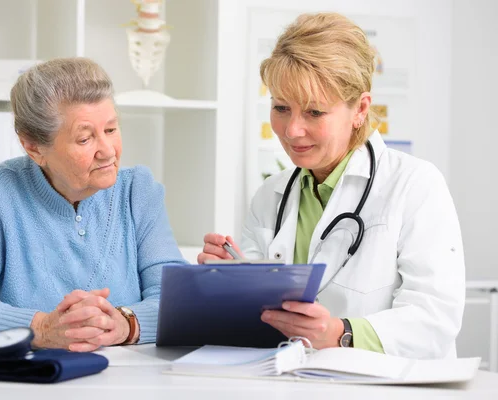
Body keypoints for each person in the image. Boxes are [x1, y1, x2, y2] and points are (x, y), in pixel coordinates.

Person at [198, 13, 465, 359]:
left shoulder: (415, 186)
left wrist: (340, 333)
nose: (292, 130)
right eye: (281, 107)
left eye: (314, 112)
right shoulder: (270, 196)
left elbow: (434, 321)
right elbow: (259, 319)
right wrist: (228, 280)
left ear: (360, 109)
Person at [0, 58, 186, 351]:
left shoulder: (138, 191)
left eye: (110, 130)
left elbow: (181, 300)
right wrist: (40, 328)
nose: (107, 151)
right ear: (34, 147)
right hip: (24, 384)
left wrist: (126, 324)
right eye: (85, 138)